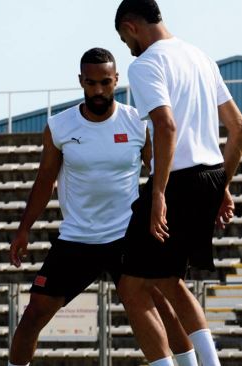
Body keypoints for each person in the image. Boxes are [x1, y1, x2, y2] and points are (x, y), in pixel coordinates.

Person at [8, 48, 198, 366]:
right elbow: (44, 182)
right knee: (33, 314)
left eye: (105, 83)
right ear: (81, 81)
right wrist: (23, 229)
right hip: (76, 240)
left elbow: (162, 174)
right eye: (91, 83)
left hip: (127, 237)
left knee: (163, 306)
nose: (98, 91)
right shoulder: (60, 126)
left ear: (116, 80)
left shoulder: (137, 123)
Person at [114, 1, 242, 366]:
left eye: (125, 40)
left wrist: (158, 193)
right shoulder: (200, 56)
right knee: (168, 280)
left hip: (177, 182)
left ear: (131, 26)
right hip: (208, 176)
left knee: (131, 285)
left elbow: (166, 127)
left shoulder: (146, 63)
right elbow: (238, 128)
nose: (129, 47)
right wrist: (222, 185)